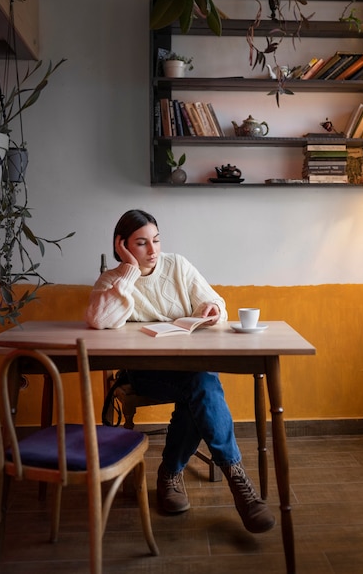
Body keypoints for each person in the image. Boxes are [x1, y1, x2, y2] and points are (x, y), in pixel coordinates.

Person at [86, 209, 274, 534]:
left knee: (200, 385)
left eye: (156, 240)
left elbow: (215, 301)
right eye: (141, 243)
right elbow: (98, 320)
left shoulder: (177, 265)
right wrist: (129, 271)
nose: (153, 250)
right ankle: (223, 478)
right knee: (202, 386)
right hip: (146, 373)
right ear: (122, 246)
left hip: (189, 368)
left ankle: (181, 475)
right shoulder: (112, 280)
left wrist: (211, 310)